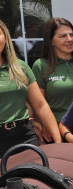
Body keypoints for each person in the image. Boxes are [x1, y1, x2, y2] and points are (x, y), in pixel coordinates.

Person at [0, 19, 61, 157]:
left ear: (5, 37)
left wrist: (58, 141)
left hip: (25, 135)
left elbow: (40, 105)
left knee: (31, 177)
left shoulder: (20, 66)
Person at [31, 18, 73, 142]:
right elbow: (39, 104)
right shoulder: (41, 65)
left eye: (71, 35)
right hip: (56, 133)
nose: (70, 39)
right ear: (51, 41)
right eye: (63, 36)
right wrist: (45, 126)